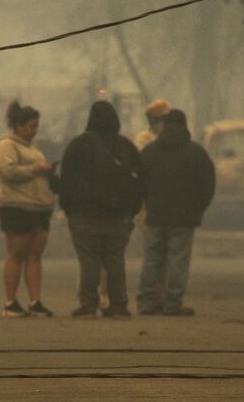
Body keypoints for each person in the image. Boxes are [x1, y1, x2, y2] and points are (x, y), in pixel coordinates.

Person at [60, 100, 142, 319]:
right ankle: (119, 304)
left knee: (89, 261)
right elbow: (139, 181)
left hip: (84, 215)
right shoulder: (127, 146)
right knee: (115, 260)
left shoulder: (78, 145)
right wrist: (132, 210)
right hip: (118, 216)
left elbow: (66, 180)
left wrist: (67, 208)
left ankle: (88, 303)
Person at [137, 109, 215, 316]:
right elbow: (208, 184)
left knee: (152, 259)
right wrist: (198, 208)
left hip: (155, 215)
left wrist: (147, 203)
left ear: (164, 125)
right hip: (184, 217)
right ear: (185, 125)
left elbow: (138, 182)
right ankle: (172, 304)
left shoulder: (150, 152)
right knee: (177, 260)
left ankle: (147, 302)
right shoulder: (196, 153)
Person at [0, 101, 56, 318]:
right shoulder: (6, 146)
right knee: (16, 254)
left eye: (36, 127)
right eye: (30, 126)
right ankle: (10, 302)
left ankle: (35, 301)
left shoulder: (33, 149)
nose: (33, 131)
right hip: (17, 207)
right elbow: (8, 172)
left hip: (40, 207)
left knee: (35, 256)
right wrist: (37, 168)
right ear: (18, 125)